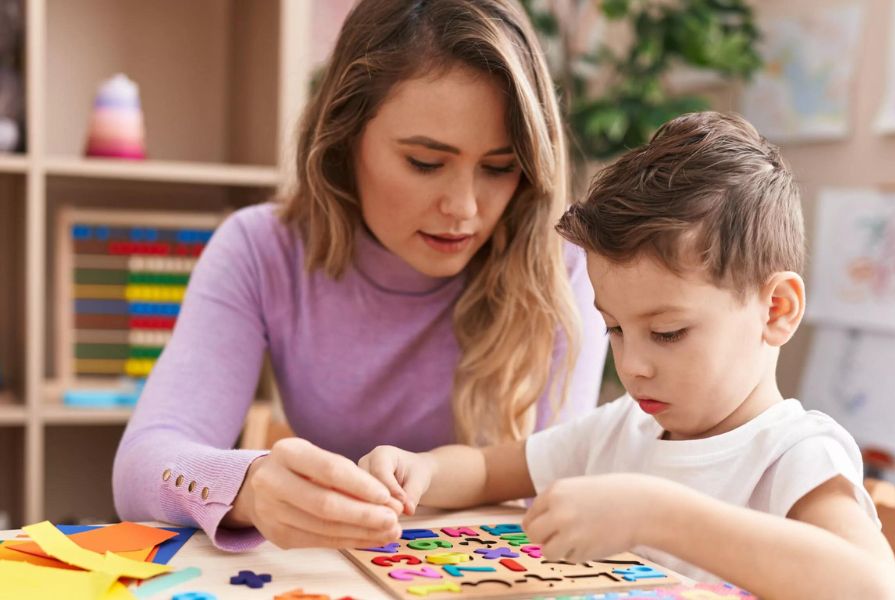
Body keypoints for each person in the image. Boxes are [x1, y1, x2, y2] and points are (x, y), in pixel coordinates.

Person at [112, 0, 607, 552]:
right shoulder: (260, 249)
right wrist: (247, 487)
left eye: (499, 166)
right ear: (346, 139)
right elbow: (142, 464)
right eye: (425, 162)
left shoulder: (563, 267)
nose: (465, 207)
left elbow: (561, 491)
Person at [359, 112, 895, 599]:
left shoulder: (794, 453)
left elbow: (870, 587)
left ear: (776, 309)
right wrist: (420, 470)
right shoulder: (622, 429)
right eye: (615, 328)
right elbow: (484, 471)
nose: (633, 365)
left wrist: (654, 513)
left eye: (667, 332)